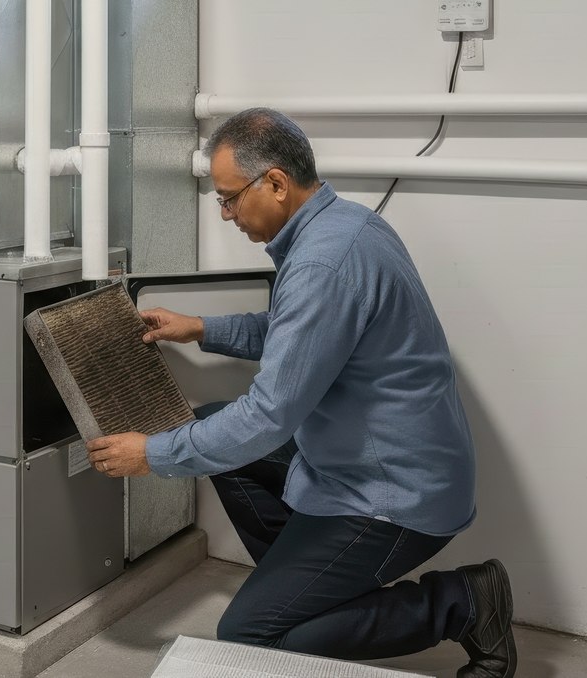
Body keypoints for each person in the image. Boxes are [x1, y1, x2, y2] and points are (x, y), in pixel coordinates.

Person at [86, 108, 515, 677]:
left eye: (229, 198)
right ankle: (303, 585)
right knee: (214, 423)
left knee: (249, 635)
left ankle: (462, 602)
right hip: (370, 462)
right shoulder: (347, 225)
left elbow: (268, 417)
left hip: (392, 495)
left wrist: (153, 455)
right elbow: (298, 335)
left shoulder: (322, 262)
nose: (225, 213)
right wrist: (201, 328)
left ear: (277, 184)